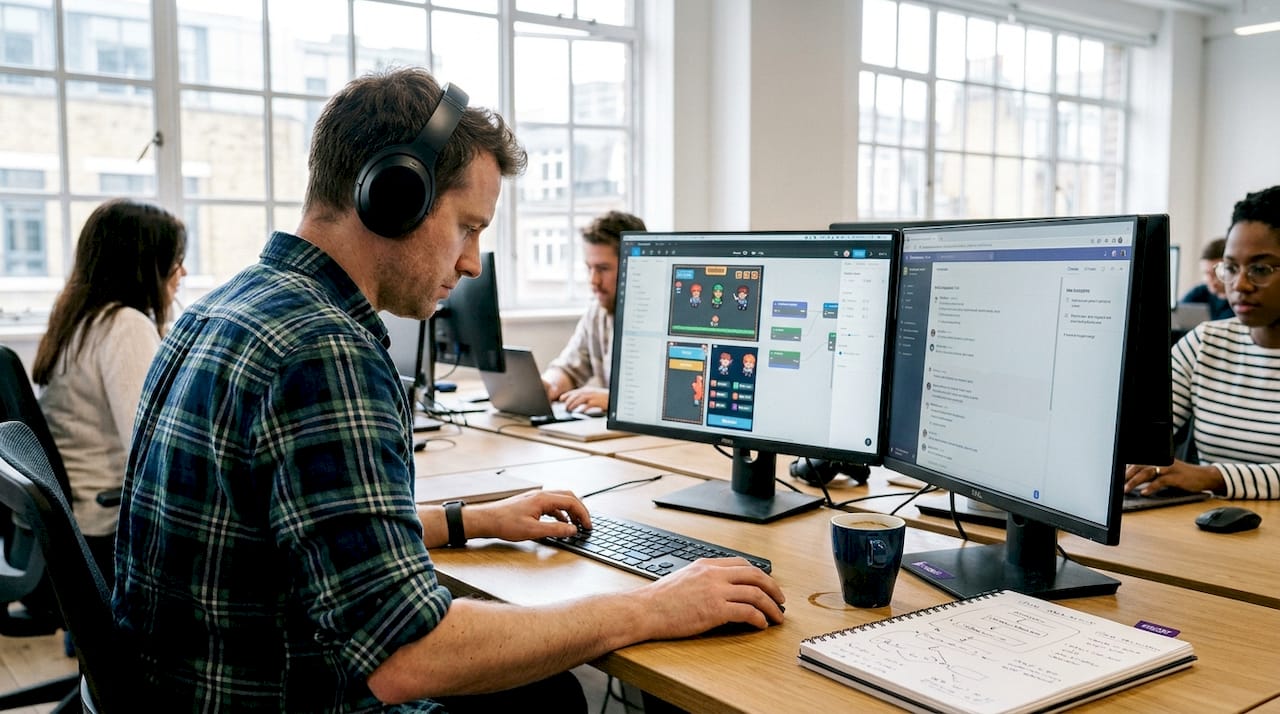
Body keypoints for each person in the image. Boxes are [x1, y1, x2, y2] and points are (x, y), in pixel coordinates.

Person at [113, 68, 784, 711]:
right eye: (468, 226)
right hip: (286, 699)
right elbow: (408, 655)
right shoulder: (324, 350)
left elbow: (321, 531)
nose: (471, 262)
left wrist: (473, 519)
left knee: (541, 695)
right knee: (549, 694)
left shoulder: (222, 308)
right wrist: (651, 607)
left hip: (181, 689)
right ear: (394, 197)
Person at [33, 198, 186, 584]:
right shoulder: (125, 325)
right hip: (104, 532)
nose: (182, 272)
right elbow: (150, 449)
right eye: (175, 260)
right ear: (145, 265)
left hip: (68, 528)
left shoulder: (78, 319)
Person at [1125, 185, 1280, 500]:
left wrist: (1212, 476)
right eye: (1231, 268)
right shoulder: (1204, 343)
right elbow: (1140, 436)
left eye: (1260, 269)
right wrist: (1137, 464)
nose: (1240, 285)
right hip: (1201, 524)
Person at [541, 210, 646, 413]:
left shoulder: (669, 318)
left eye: (603, 269)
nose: (593, 281)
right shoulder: (598, 313)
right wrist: (549, 385)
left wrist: (615, 401)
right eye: (589, 268)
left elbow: (678, 399)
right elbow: (569, 368)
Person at [1178, 237, 1234, 320]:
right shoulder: (1200, 292)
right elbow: (1176, 314)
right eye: (1206, 273)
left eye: (1216, 273)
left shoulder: (1239, 302)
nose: (1210, 279)